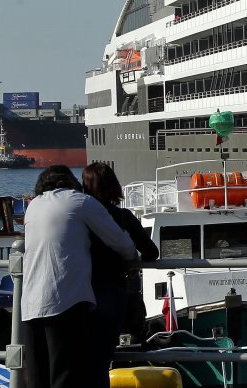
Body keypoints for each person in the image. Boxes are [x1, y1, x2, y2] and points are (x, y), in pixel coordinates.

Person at [21, 165, 139, 388]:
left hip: (30, 304)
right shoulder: (81, 202)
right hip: (66, 301)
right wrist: (133, 257)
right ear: (72, 183)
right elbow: (120, 241)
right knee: (65, 375)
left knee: (38, 377)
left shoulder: (33, 206)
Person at [82, 163, 160, 385]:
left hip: (84, 296)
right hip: (120, 295)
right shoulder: (123, 216)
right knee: (126, 350)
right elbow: (151, 252)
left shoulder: (81, 220)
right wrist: (131, 258)